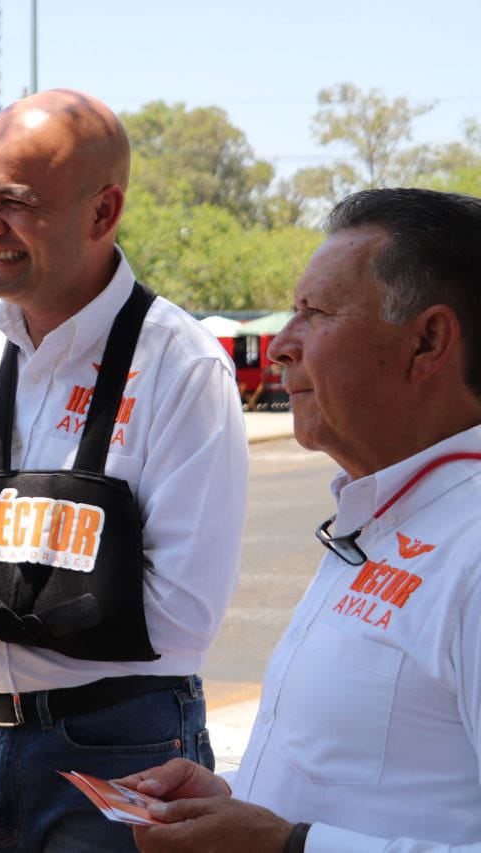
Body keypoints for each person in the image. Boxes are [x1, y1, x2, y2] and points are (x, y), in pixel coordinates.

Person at [0, 89, 248, 851]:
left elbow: (176, 617)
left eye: (16, 203)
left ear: (103, 213)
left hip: (122, 747)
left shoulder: (181, 366)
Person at [119, 188, 481, 852]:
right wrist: (237, 801)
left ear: (427, 340)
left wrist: (287, 845)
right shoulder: (382, 512)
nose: (281, 345)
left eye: (315, 313)